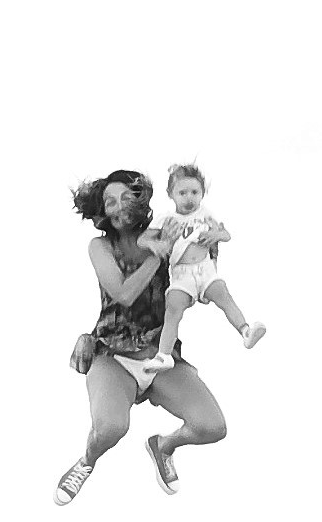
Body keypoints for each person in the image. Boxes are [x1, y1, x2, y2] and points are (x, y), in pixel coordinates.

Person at [53, 169, 227, 505]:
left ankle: (163, 446)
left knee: (212, 426)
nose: (117, 208)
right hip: (112, 356)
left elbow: (200, 279)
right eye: (110, 202)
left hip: (160, 356)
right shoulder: (101, 246)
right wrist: (157, 255)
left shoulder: (164, 232)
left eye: (124, 199)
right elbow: (122, 293)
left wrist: (206, 240)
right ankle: (87, 461)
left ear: (141, 201)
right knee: (111, 428)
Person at [150, 162, 265, 358]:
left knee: (223, 296)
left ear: (202, 193)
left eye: (195, 192)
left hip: (205, 269)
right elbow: (144, 238)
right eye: (182, 192)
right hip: (182, 273)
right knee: (173, 309)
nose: (189, 198)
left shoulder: (205, 214)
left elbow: (226, 234)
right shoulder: (167, 219)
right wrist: (156, 244)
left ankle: (245, 330)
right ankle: (164, 354)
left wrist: (215, 236)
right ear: (171, 194)